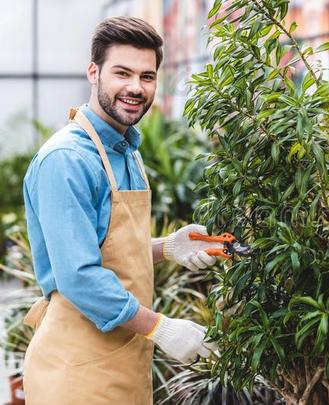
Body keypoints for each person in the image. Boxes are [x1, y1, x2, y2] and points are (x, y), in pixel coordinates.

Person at [21, 16, 218, 404]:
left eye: (147, 76)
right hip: (76, 374)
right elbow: (78, 276)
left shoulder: (126, 152)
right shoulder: (67, 160)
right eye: (122, 73)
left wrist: (168, 247)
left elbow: (108, 249)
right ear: (94, 72)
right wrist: (161, 328)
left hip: (124, 363)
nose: (135, 87)